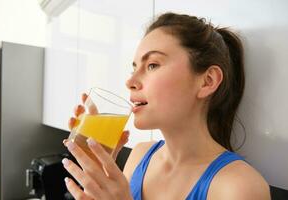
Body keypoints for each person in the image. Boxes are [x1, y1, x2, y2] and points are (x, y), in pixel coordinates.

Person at [62, 12, 271, 200]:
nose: (130, 81)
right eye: (134, 68)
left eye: (152, 65)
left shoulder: (240, 187)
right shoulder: (139, 156)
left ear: (207, 81)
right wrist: (99, 181)